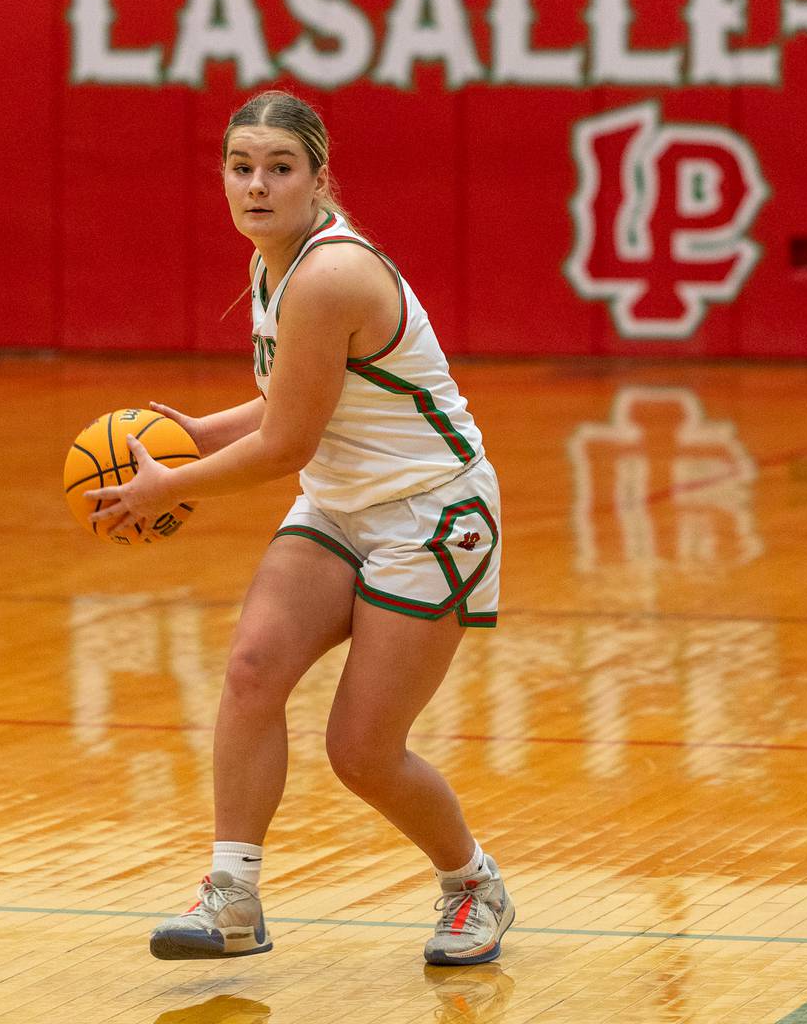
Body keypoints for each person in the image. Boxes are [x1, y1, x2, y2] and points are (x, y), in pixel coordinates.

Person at [86, 90, 513, 967]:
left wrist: (172, 483)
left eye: (279, 169)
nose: (256, 185)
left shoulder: (327, 275)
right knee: (251, 670)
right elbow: (297, 392)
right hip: (341, 503)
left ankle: (474, 884)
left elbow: (287, 442)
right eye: (241, 168)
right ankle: (232, 899)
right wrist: (204, 433)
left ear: (319, 179)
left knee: (361, 751)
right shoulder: (273, 262)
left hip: (431, 516)